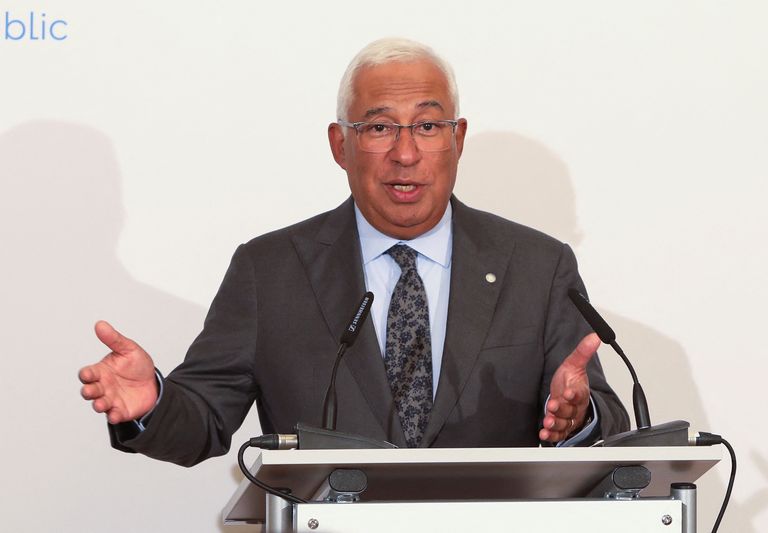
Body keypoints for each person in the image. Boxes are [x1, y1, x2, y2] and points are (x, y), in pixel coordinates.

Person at [79, 38, 629, 467]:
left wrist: (577, 419)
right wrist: (152, 402)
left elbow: (602, 420)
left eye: (428, 125)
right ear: (340, 145)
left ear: (458, 139)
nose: (406, 153)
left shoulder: (536, 266)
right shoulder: (269, 271)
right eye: (379, 127)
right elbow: (201, 422)